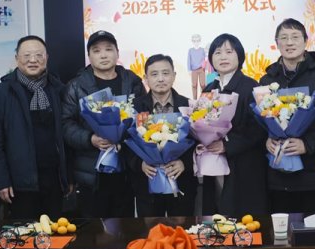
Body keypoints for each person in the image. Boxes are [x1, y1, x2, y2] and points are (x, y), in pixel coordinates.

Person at [260, 19, 315, 215]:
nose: (289, 43)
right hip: (279, 175)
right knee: (282, 231)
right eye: (284, 38)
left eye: (295, 37)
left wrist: (307, 144)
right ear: (277, 43)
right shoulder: (267, 80)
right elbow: (261, 120)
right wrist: (267, 140)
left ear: (306, 41)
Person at [0, 36, 71, 219]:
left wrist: (68, 176)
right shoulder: (3, 92)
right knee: (24, 234)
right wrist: (1, 180)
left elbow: (67, 136)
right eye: (27, 55)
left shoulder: (58, 89)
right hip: (19, 185)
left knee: (56, 232)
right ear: (17, 58)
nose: (33, 60)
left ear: (46, 58)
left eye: (38, 55)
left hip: (54, 181)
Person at [62, 30, 145, 218]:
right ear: (89, 56)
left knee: (124, 226)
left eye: (108, 49)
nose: (103, 55)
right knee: (93, 228)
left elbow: (143, 117)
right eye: (97, 51)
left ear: (117, 53)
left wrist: (126, 137)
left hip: (126, 169)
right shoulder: (76, 86)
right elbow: (65, 124)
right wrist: (89, 139)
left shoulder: (132, 81)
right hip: (91, 172)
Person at [201, 33, 268, 217]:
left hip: (244, 163)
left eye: (229, 52)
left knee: (243, 216)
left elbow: (258, 128)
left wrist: (227, 144)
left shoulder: (251, 86)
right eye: (217, 52)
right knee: (216, 211)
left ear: (240, 56)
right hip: (214, 160)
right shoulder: (208, 89)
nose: (223, 57)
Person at [127, 54, 197, 217]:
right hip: (147, 184)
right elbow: (126, 143)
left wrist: (184, 163)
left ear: (174, 76)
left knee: (182, 229)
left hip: (181, 182)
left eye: (165, 73)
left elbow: (198, 142)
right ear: (145, 78)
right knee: (151, 230)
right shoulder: (135, 107)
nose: (160, 79)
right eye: (154, 74)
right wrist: (140, 164)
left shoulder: (188, 106)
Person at [187, 34, 206, 100]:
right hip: (194, 70)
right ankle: (194, 100)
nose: (196, 42)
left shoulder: (202, 50)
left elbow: (205, 60)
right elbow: (189, 60)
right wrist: (189, 69)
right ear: (192, 41)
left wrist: (205, 68)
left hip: (201, 69)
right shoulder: (190, 50)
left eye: (197, 41)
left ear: (200, 41)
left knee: (203, 85)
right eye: (194, 41)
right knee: (194, 85)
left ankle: (203, 99)